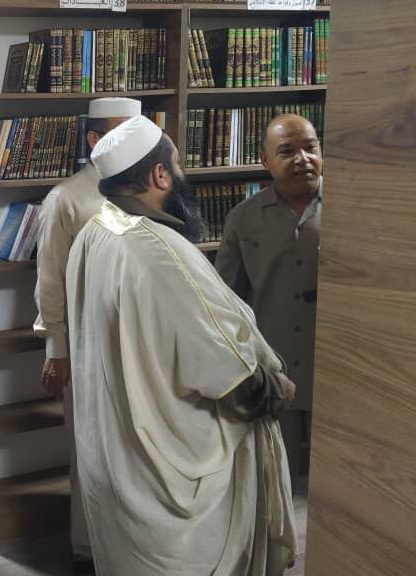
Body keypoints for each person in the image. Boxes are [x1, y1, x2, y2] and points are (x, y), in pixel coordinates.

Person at [66, 115, 298, 576]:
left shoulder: (93, 233)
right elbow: (229, 372)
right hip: (167, 482)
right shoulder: (160, 251)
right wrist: (273, 390)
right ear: (159, 175)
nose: (181, 174)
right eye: (177, 165)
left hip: (117, 466)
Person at [32, 96, 140, 575]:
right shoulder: (67, 198)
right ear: (94, 139)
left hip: (140, 343)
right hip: (87, 345)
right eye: (119, 132)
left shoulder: (148, 189)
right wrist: (56, 350)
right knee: (90, 450)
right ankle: (86, 549)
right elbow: (49, 283)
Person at [216, 113, 323, 482]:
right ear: (265, 160)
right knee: (277, 481)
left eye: (311, 148)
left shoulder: (352, 209)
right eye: (288, 151)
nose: (303, 159)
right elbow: (226, 302)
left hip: (336, 371)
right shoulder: (242, 219)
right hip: (275, 374)